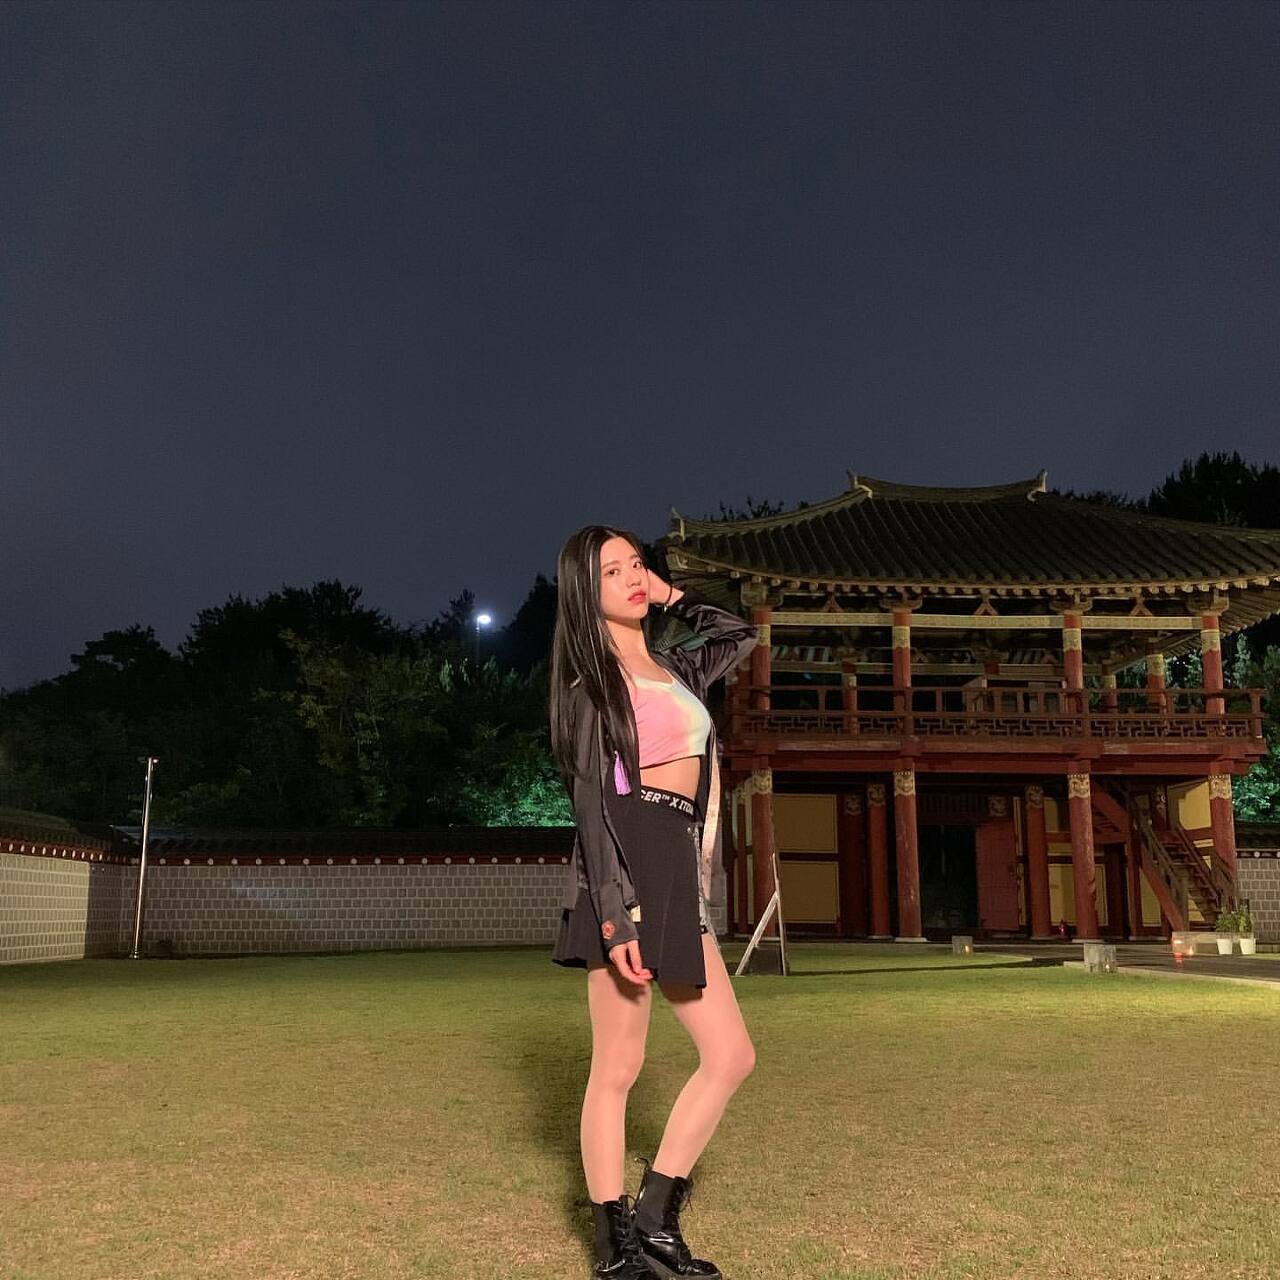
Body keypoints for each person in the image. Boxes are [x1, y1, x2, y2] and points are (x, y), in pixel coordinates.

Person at [549, 524, 759, 1280]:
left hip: (676, 858)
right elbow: (591, 808)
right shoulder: (590, 689)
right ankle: (616, 1252)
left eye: (637, 563)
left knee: (731, 1055)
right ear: (585, 591)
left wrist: (671, 595)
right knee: (618, 1066)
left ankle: (654, 1221)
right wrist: (614, 914)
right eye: (613, 571)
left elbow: (738, 632)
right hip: (627, 858)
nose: (633, 577)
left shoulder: (676, 666)